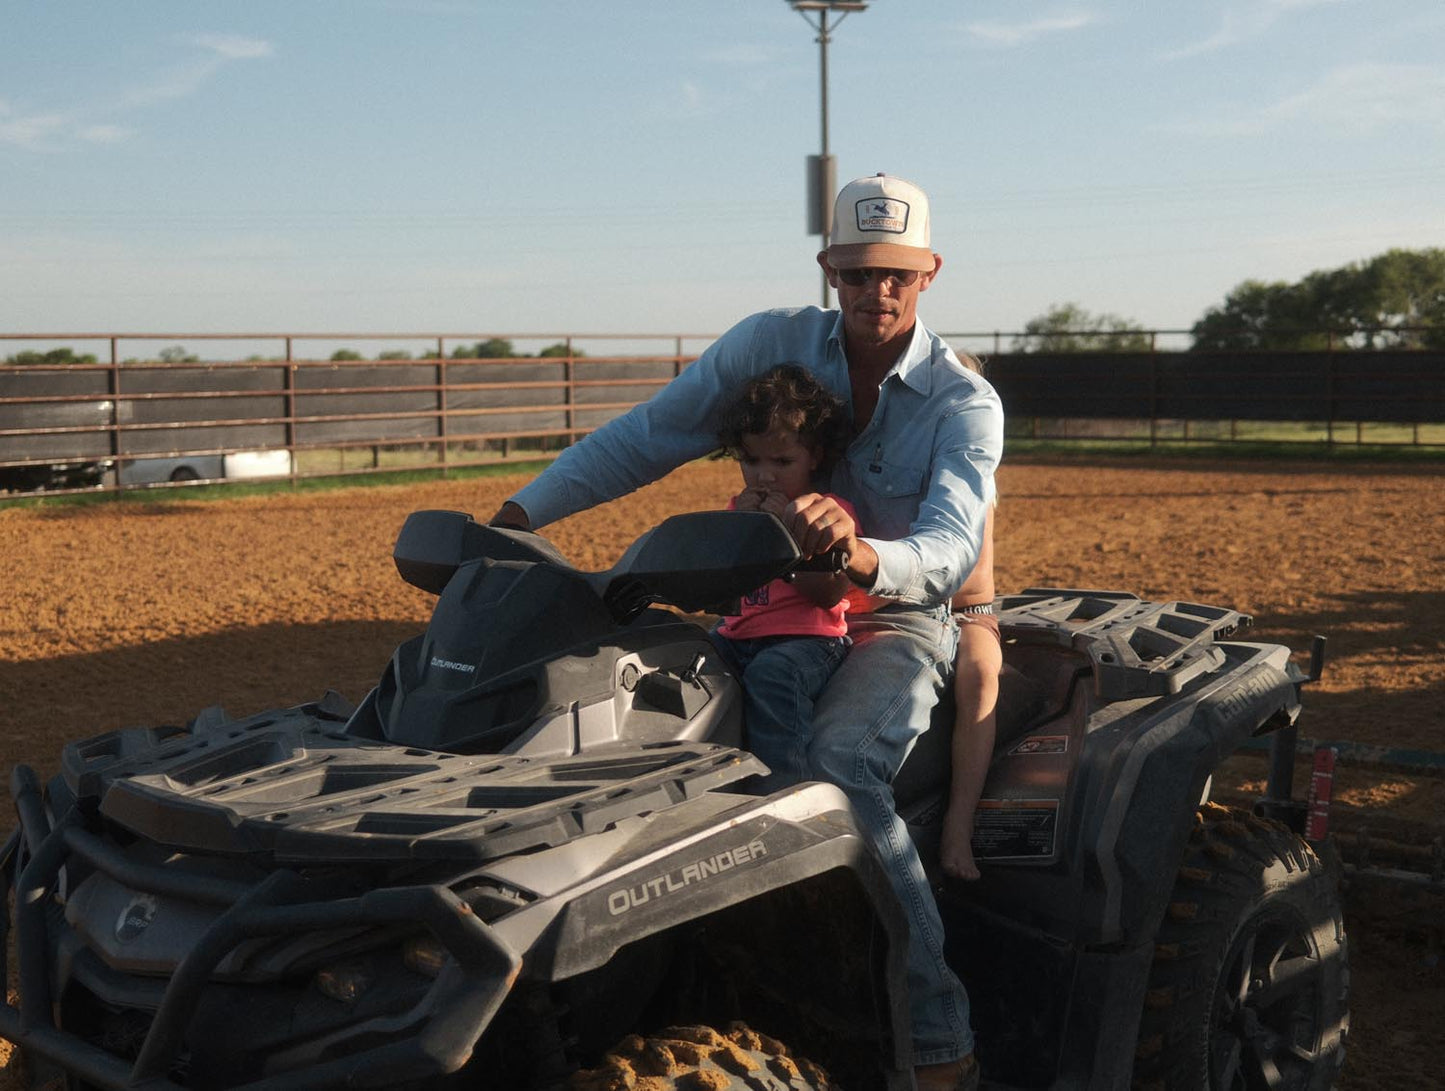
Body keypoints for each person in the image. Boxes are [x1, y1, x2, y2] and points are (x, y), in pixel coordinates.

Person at [491, 173, 1002, 1091]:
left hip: (889, 618)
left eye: (894, 274)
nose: (873, 293)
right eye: (854, 273)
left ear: (928, 273)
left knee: (838, 765)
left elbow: (951, 540)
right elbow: (651, 434)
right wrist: (523, 513)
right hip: (759, 607)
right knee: (615, 719)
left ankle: (936, 1036)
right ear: (827, 269)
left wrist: (859, 556)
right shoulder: (771, 346)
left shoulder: (962, 402)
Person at [711, 364, 856, 794]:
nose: (765, 475)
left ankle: (786, 790)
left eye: (782, 460)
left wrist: (780, 537)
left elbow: (829, 594)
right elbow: (723, 591)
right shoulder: (737, 510)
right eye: (751, 460)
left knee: (773, 675)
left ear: (814, 456)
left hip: (809, 642)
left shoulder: (825, 512)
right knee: (690, 660)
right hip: (738, 637)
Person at [938, 505, 1001, 882]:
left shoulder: (969, 474)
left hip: (966, 611)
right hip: (888, 609)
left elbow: (974, 579)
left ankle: (959, 822)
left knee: (979, 675)